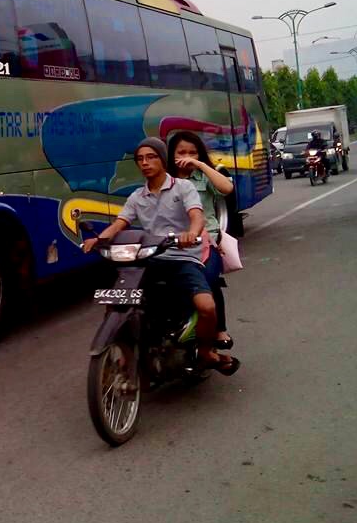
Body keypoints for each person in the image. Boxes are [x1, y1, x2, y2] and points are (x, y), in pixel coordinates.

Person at [82, 137, 240, 374]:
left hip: (183, 257)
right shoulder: (137, 196)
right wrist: (99, 240)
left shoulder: (183, 187)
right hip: (150, 258)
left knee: (206, 306)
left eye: (151, 157)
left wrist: (191, 233)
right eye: (140, 159)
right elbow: (119, 224)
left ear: (163, 160)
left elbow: (196, 216)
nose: (145, 163)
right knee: (118, 300)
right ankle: (123, 349)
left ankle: (206, 352)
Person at [167, 131, 234, 350]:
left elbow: (227, 188)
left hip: (206, 241)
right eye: (181, 152)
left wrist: (201, 165)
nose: (186, 157)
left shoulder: (204, 176)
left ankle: (219, 329)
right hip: (172, 243)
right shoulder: (165, 179)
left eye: (192, 152)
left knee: (207, 280)